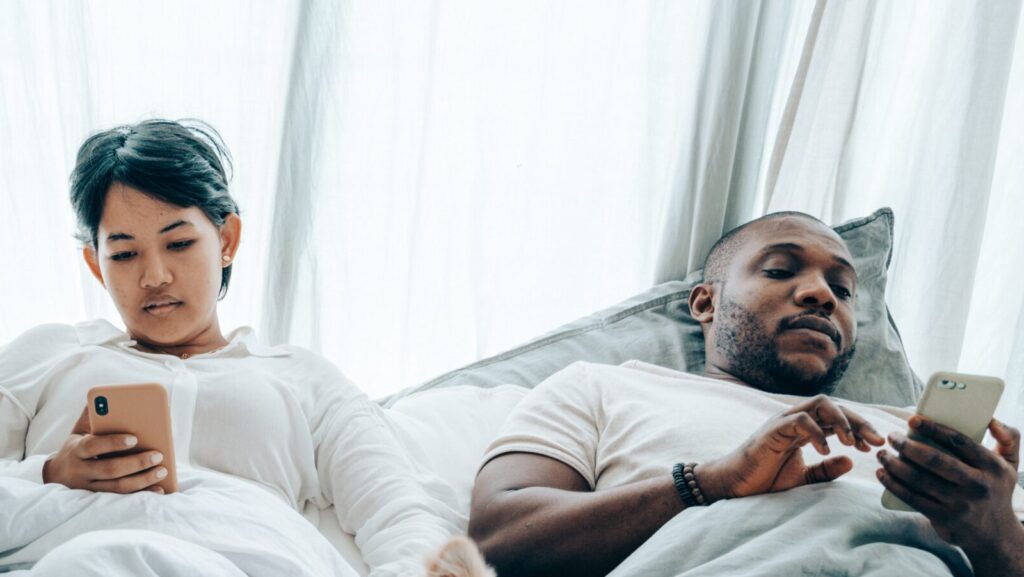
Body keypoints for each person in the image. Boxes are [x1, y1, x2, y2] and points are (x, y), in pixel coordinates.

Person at [0, 119, 464, 577]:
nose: (155, 276)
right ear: (96, 266)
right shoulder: (50, 354)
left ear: (226, 240)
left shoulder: (304, 380)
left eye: (179, 243)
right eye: (123, 254)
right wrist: (48, 474)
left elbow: (404, 516)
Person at [468, 212, 1024, 577]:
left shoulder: (921, 435)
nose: (821, 296)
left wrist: (994, 531)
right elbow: (498, 539)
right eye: (781, 270)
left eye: (843, 290)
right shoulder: (604, 386)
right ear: (705, 304)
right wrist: (712, 483)